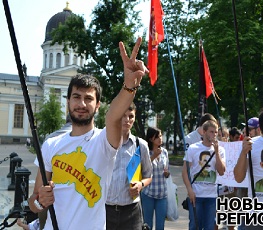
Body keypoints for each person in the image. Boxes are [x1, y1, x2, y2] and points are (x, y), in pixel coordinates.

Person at [28, 37, 149, 230]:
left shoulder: (103, 141)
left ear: (98, 105)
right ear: (68, 101)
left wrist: (129, 85)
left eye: (88, 98)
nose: (82, 104)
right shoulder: (51, 144)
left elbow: (113, 117)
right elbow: (33, 203)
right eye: (76, 97)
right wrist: (40, 201)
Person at [105, 102, 152, 230]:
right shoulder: (103, 141)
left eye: (131, 116)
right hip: (105, 210)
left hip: (131, 211)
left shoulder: (140, 145)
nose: (127, 120)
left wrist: (140, 185)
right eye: (123, 116)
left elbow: (149, 175)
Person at [182, 120, 226, 230]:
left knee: (210, 226)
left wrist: (216, 152)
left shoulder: (220, 150)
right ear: (204, 132)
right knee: (194, 226)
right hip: (196, 195)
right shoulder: (193, 148)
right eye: (211, 132)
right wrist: (189, 190)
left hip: (211, 196)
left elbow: (221, 171)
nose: (214, 135)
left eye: (216, 132)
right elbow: (184, 172)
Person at [141, 126, 170, 230]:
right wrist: (153, 156)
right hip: (148, 193)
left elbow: (167, 171)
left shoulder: (165, 152)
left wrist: (167, 173)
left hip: (162, 193)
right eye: (157, 137)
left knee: (160, 225)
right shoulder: (146, 152)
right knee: (147, 224)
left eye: (161, 136)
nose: (160, 139)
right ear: (150, 139)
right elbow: (142, 170)